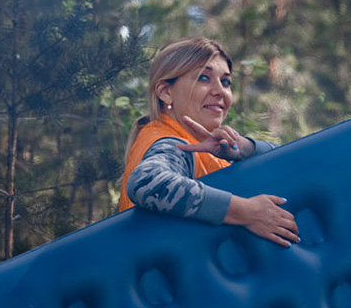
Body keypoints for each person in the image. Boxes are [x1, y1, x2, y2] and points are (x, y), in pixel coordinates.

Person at [119, 37, 299, 247]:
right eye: (203, 78)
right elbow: (146, 182)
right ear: (165, 92)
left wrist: (243, 148)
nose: (220, 91)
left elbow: (290, 162)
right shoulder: (171, 143)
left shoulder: (201, 147)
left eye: (226, 82)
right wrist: (248, 212)